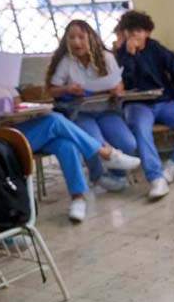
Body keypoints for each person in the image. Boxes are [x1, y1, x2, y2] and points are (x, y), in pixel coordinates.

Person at [0, 26, 142, 222]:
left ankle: (78, 198)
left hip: (17, 126)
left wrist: (6, 108)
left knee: (65, 143)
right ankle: (106, 153)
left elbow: (15, 100)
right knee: (54, 120)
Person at [113, 10, 174, 198]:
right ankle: (156, 178)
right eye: (130, 30)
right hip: (137, 105)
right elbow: (124, 82)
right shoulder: (120, 55)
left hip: (164, 101)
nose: (135, 34)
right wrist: (130, 56)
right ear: (125, 33)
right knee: (141, 129)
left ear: (147, 32)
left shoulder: (156, 49)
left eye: (139, 30)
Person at [45, 19, 137, 194]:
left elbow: (120, 86)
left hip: (106, 110)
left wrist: (116, 89)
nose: (76, 42)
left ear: (91, 38)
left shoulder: (106, 57)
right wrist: (67, 88)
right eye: (71, 38)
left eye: (81, 37)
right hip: (80, 113)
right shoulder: (66, 61)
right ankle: (97, 177)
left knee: (128, 143)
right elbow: (51, 90)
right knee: (94, 143)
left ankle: (117, 176)